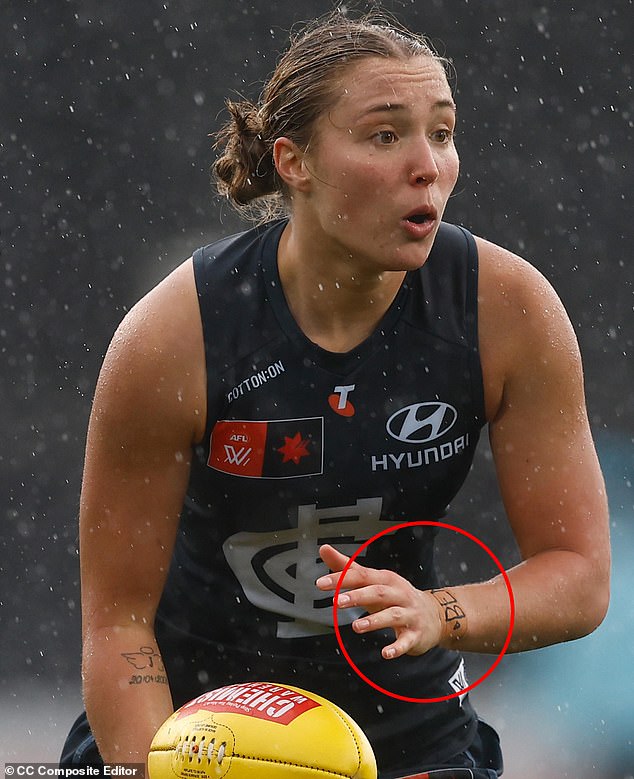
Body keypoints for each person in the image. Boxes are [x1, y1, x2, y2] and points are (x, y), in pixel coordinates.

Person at [60, 10, 610, 779]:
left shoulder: (510, 311)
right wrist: (159, 767)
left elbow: (579, 575)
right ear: (295, 161)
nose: (428, 165)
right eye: (386, 135)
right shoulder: (171, 336)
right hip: (196, 735)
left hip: (411, 739)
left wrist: (442, 611)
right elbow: (117, 623)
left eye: (443, 133)